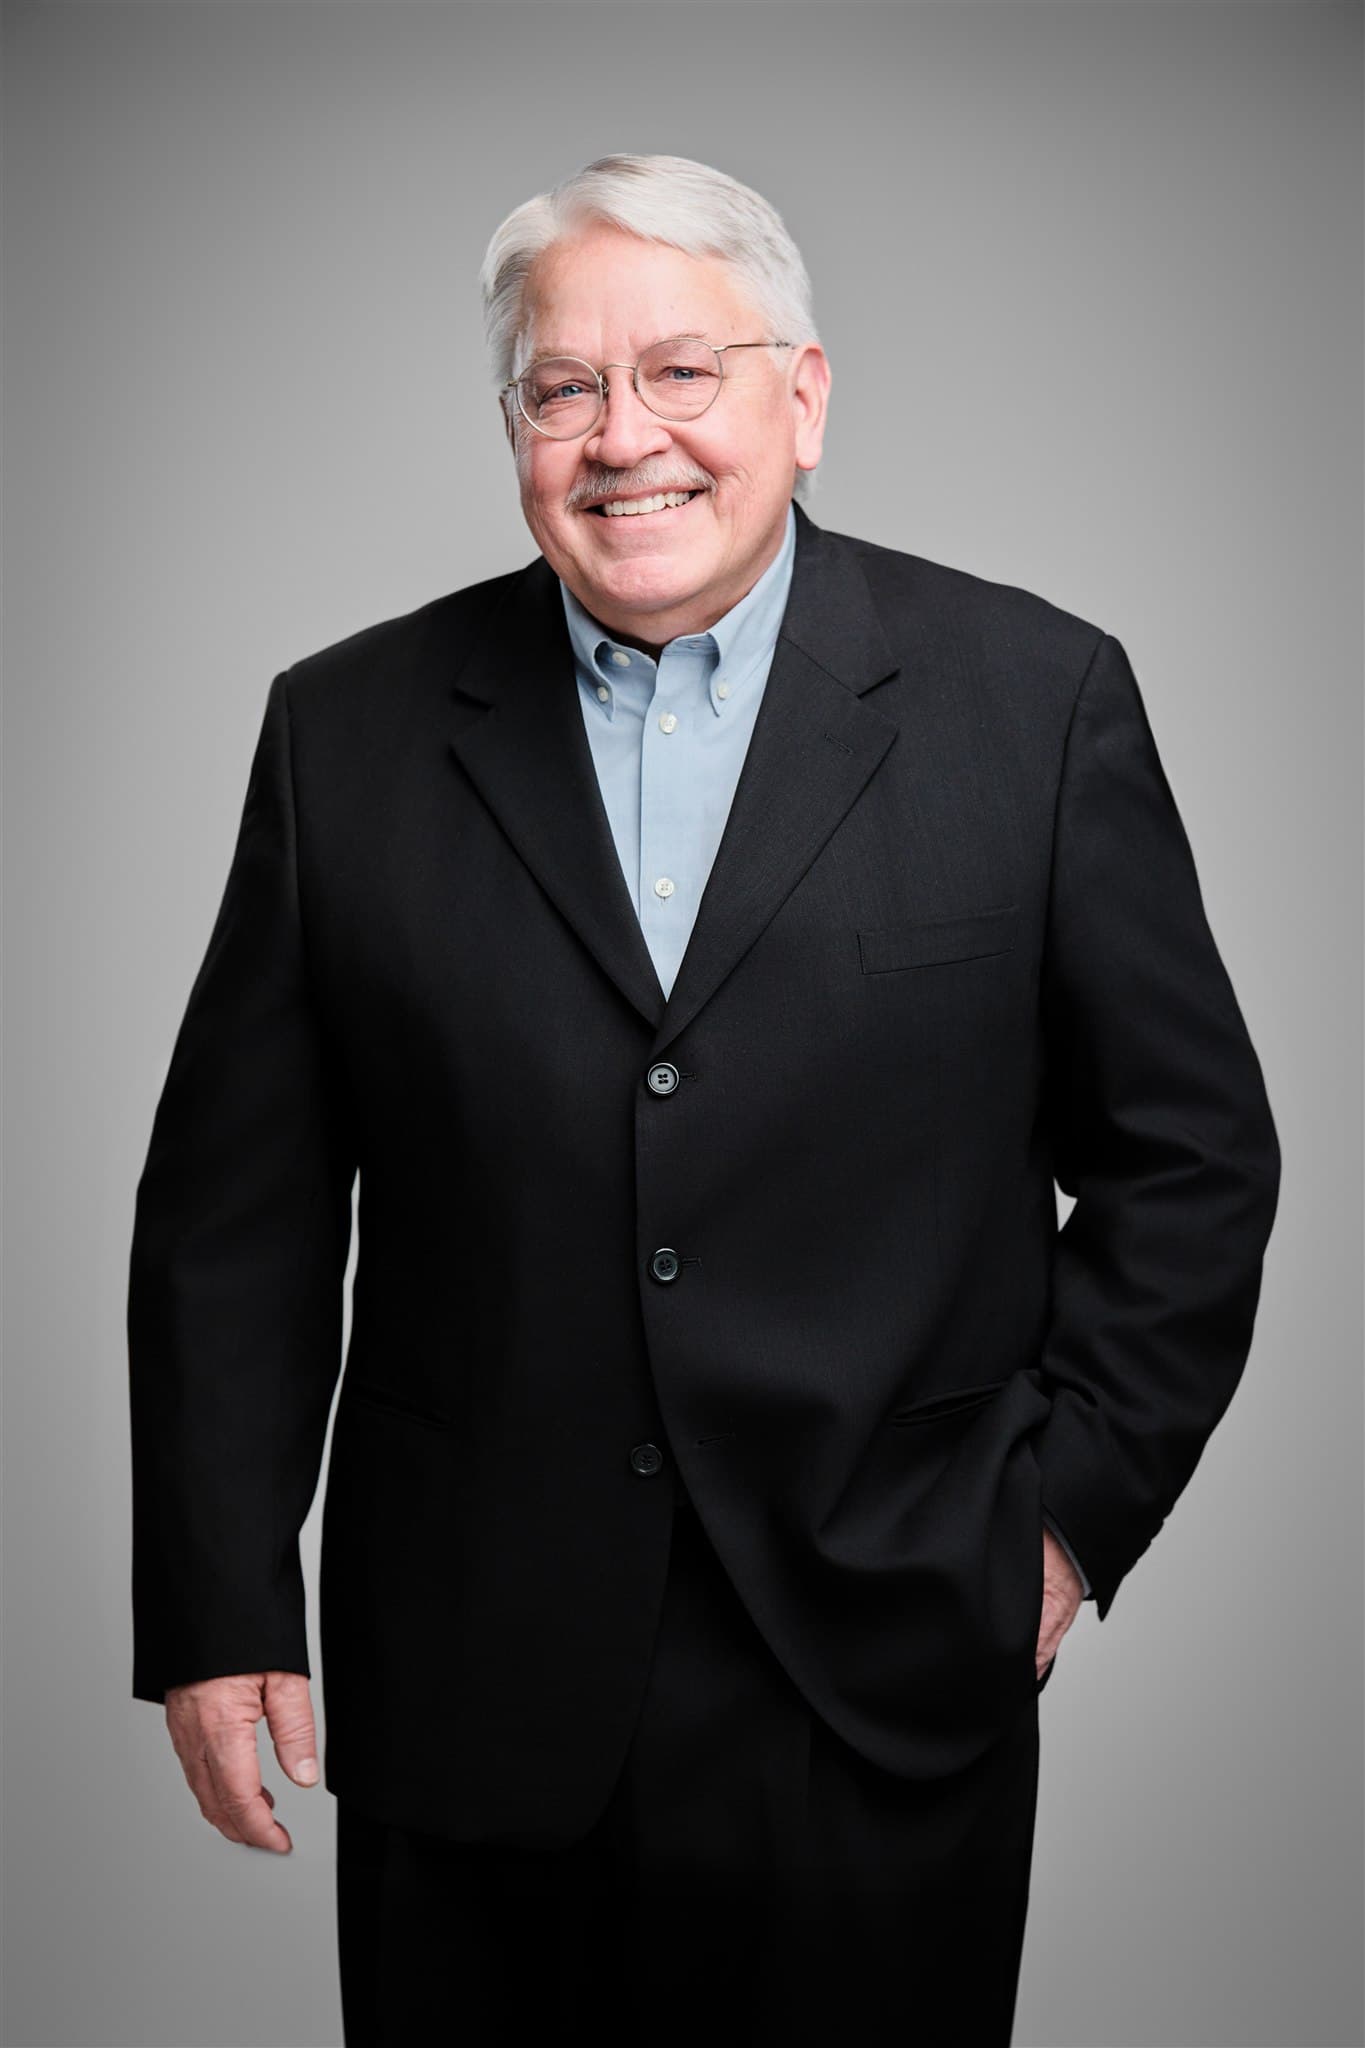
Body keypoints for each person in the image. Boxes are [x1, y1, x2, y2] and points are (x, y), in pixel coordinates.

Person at [128, 153, 1281, 2045]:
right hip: (471, 1673)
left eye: (682, 372)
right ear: (514, 429)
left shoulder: (1033, 700)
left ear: (801, 399)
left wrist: (1059, 1524)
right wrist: (224, 1602)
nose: (621, 438)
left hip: (882, 1656)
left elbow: (1190, 1162)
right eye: (561, 389)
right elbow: (235, 1218)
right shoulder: (343, 733)